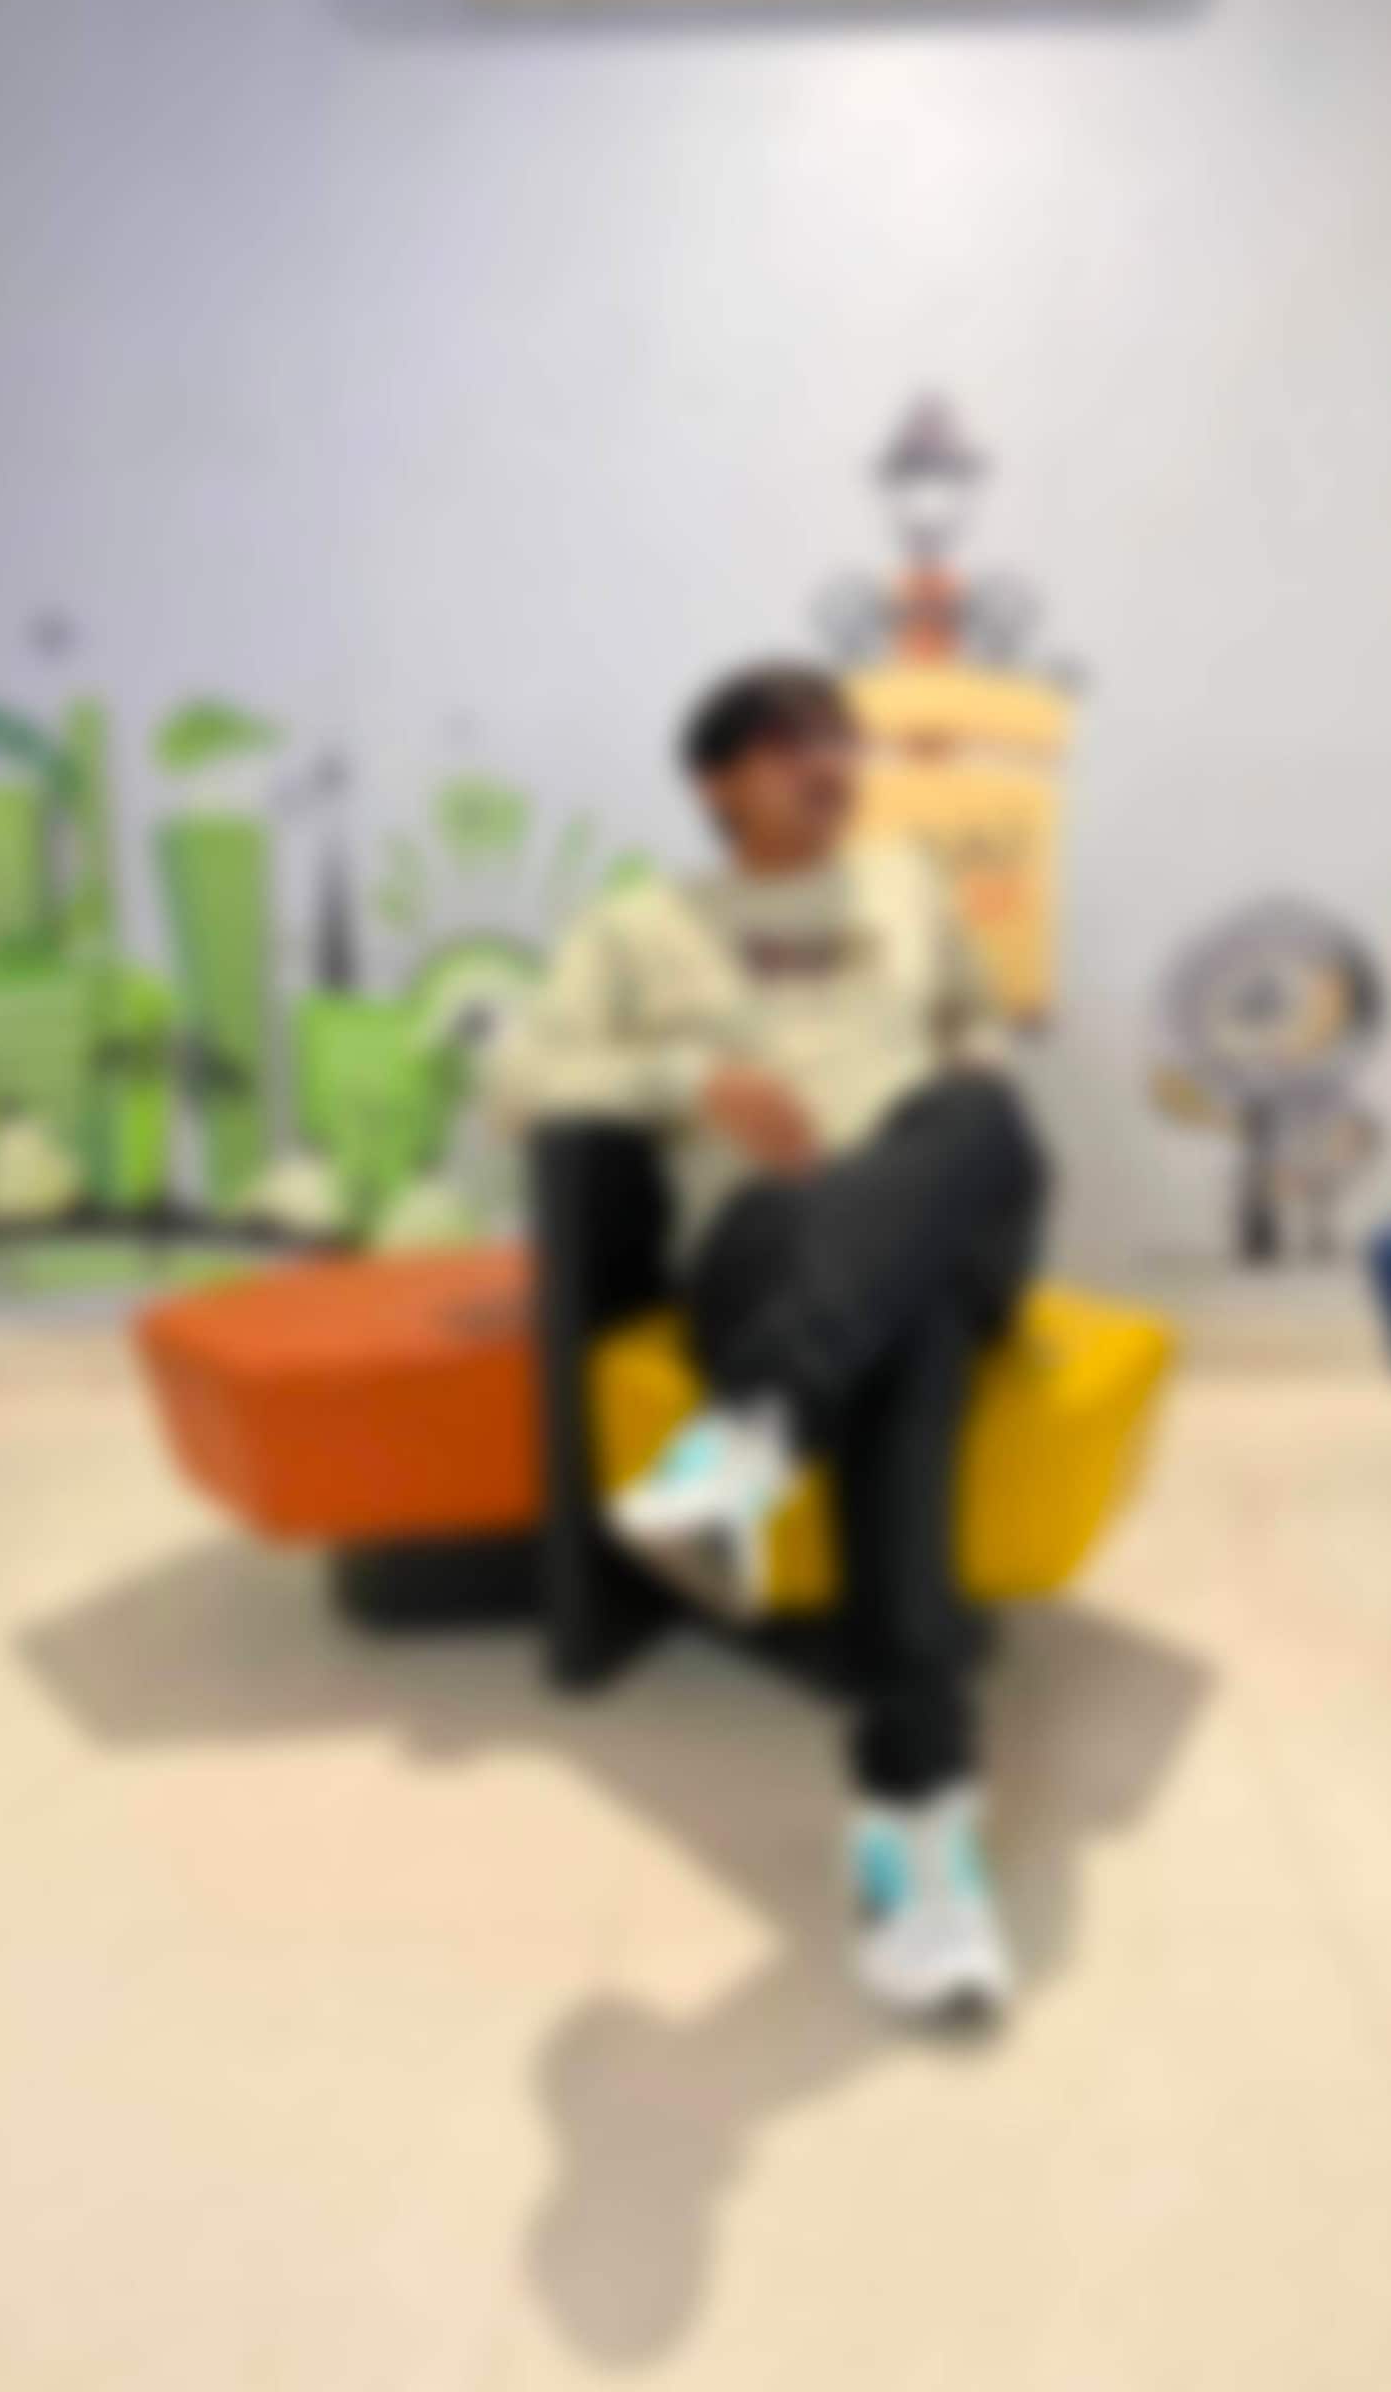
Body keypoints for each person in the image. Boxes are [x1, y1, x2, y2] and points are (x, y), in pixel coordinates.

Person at [486, 663, 1047, 2021]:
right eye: (792, 744)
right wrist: (690, 1080)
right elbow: (513, 1079)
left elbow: (976, 1030)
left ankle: (746, 1441)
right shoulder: (639, 927)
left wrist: (954, 1099)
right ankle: (919, 1829)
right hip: (766, 1245)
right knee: (902, 1335)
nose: (830, 764)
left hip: (928, 1209)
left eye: (841, 741)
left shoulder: (906, 887)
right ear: (716, 781)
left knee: (979, 1117)